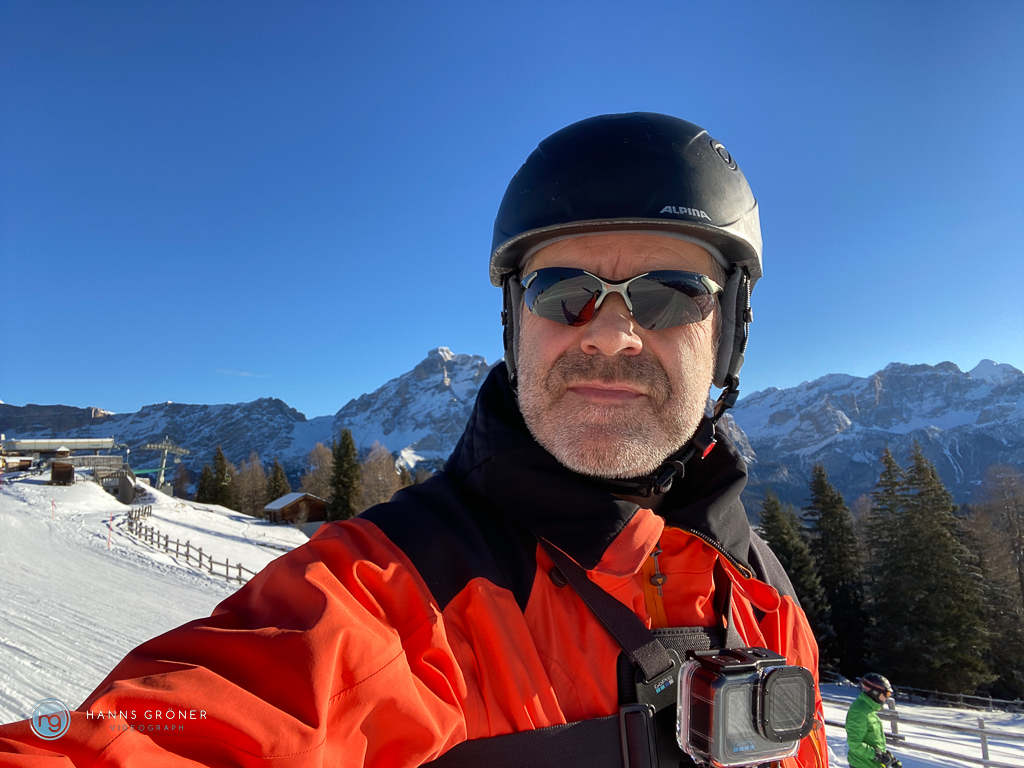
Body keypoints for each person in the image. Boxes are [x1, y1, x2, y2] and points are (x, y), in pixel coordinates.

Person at [0, 113, 828, 767]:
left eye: (669, 294)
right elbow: (176, 730)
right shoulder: (391, 595)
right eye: (563, 290)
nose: (611, 333)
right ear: (514, 323)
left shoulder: (768, 599)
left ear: (728, 333)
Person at [846, 674, 902, 768]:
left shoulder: (869, 709)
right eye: (886, 694)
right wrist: (877, 755)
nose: (887, 698)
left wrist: (889, 758)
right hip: (862, 765)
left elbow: (872, 739)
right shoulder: (859, 712)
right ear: (875, 692)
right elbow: (855, 743)